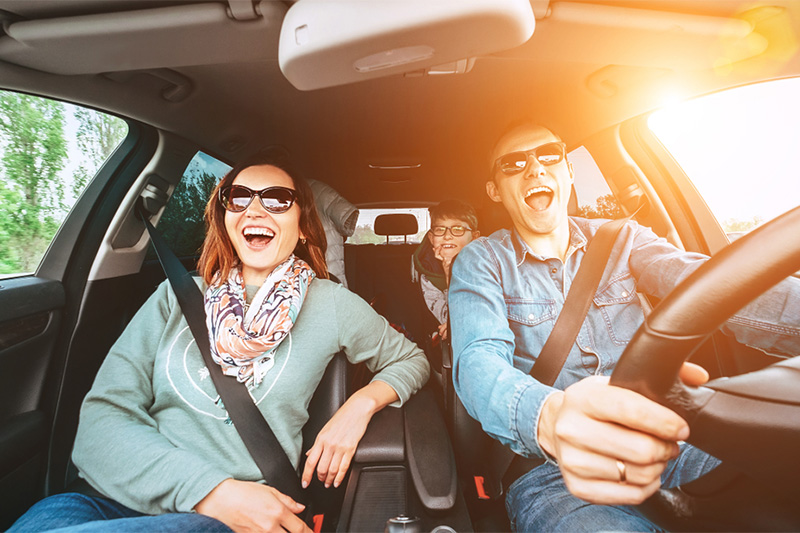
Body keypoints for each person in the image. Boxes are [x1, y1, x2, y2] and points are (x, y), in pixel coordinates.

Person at [10, 156, 429, 533]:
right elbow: (101, 424)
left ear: (303, 226)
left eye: (278, 199)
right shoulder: (174, 297)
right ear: (225, 217)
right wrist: (208, 489)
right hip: (102, 500)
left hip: (230, 518)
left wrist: (359, 406)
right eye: (239, 197)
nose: (256, 208)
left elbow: (411, 359)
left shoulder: (332, 304)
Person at [448, 122, 800, 532]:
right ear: (495, 190)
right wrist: (552, 417)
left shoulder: (623, 238)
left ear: (568, 170)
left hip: (673, 442)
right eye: (514, 163)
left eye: (549, 155)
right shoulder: (481, 260)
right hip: (556, 474)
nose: (535, 170)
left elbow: (713, 287)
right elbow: (477, 361)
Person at [412, 200, 479, 340]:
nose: (447, 236)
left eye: (458, 229)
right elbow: (446, 318)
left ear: (474, 237)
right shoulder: (429, 274)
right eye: (440, 230)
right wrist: (449, 272)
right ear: (431, 238)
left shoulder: (486, 266)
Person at [307, 179, 359, 288]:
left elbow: (347, 223)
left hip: (328, 271)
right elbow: (346, 227)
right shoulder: (319, 191)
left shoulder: (318, 191)